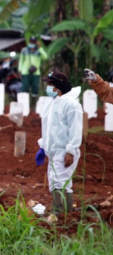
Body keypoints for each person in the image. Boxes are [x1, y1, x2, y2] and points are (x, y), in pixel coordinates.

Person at [35, 71, 82, 214]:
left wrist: (70, 151)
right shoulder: (52, 103)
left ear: (58, 86)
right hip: (54, 150)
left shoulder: (71, 104)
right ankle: (66, 212)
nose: (48, 87)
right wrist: (43, 147)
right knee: (59, 181)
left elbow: (75, 129)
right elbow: (48, 128)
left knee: (58, 181)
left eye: (50, 84)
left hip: (64, 150)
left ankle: (58, 212)